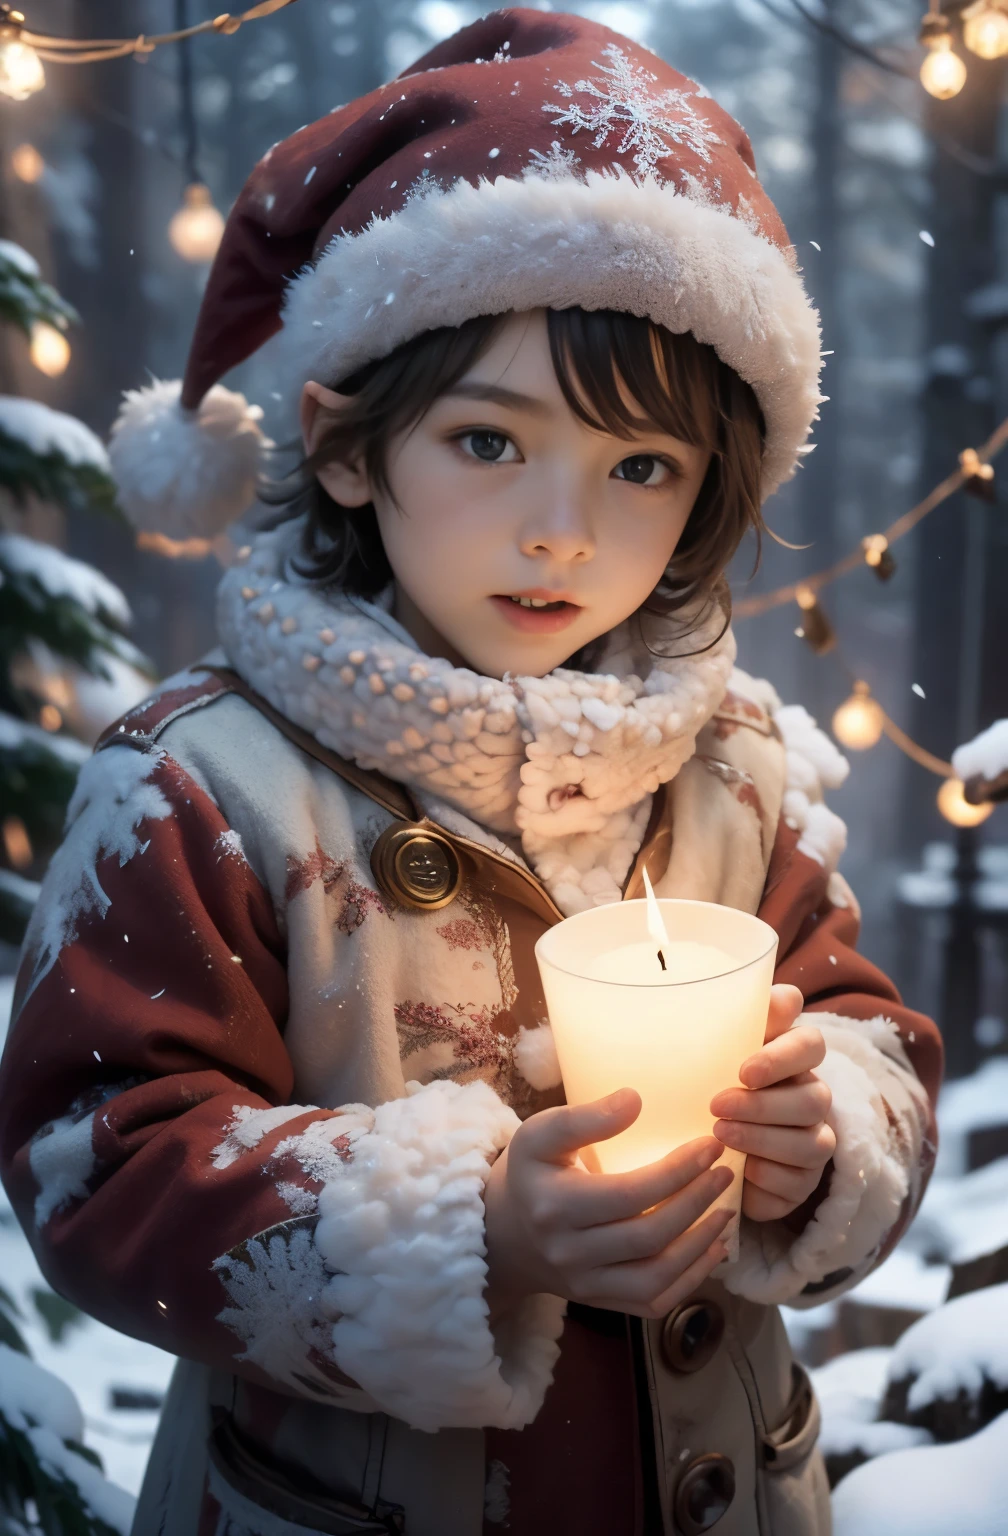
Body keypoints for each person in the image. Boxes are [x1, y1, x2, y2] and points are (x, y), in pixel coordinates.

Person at [0, 11, 942, 1536]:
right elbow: (97, 1162)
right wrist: (476, 1229)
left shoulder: (734, 766)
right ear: (352, 444)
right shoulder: (202, 787)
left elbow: (868, 1029)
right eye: (491, 442)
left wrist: (821, 1129)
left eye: (640, 467)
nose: (563, 530)